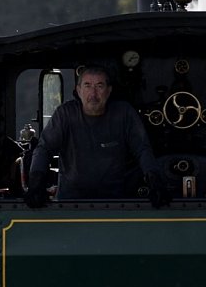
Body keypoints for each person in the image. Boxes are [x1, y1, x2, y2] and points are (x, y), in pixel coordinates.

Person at [24, 65, 169, 207]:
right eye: (87, 86)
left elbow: (142, 149)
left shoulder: (123, 113)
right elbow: (44, 149)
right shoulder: (65, 114)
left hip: (115, 202)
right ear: (79, 90)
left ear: (109, 90)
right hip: (70, 202)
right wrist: (36, 183)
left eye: (99, 86)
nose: (93, 94)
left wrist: (154, 180)